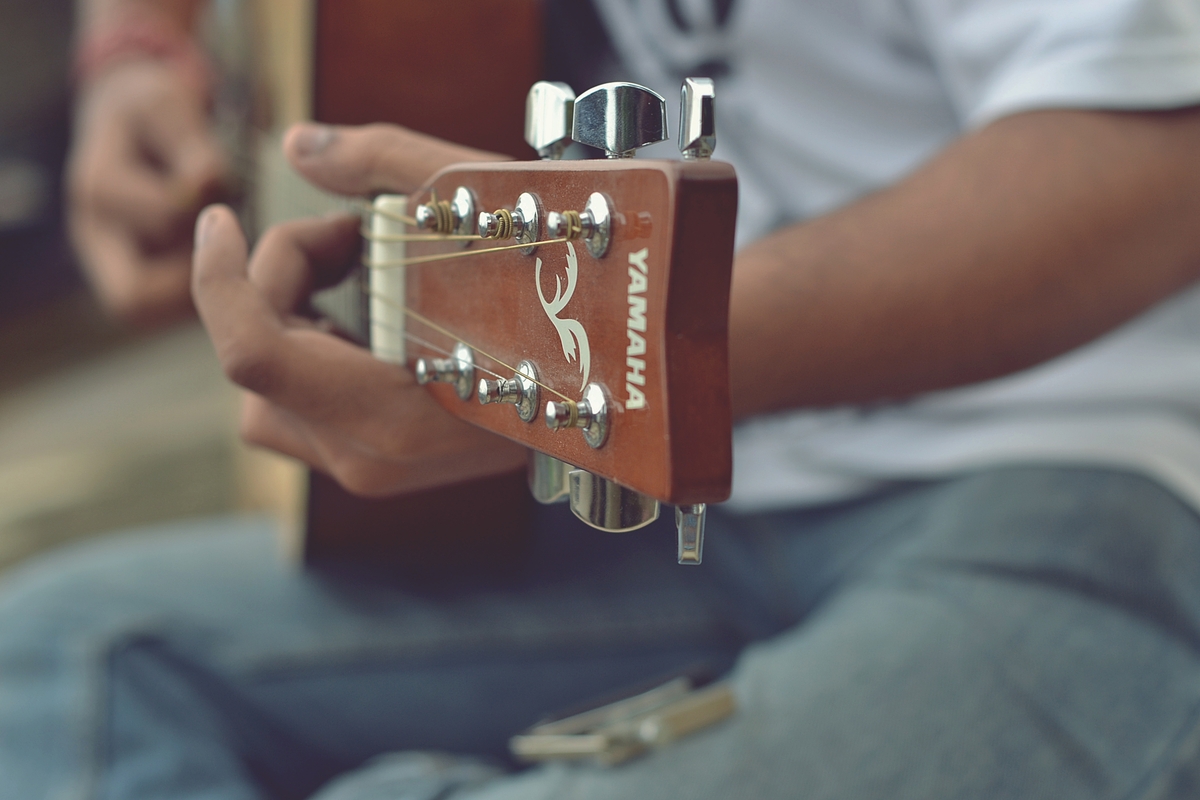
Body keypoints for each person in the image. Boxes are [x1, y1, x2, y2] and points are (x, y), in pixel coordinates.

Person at [6, 0, 1200, 797]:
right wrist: (137, 51)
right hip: (652, 512)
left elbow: (1160, 162)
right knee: (64, 666)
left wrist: (612, 362)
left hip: (1075, 470)